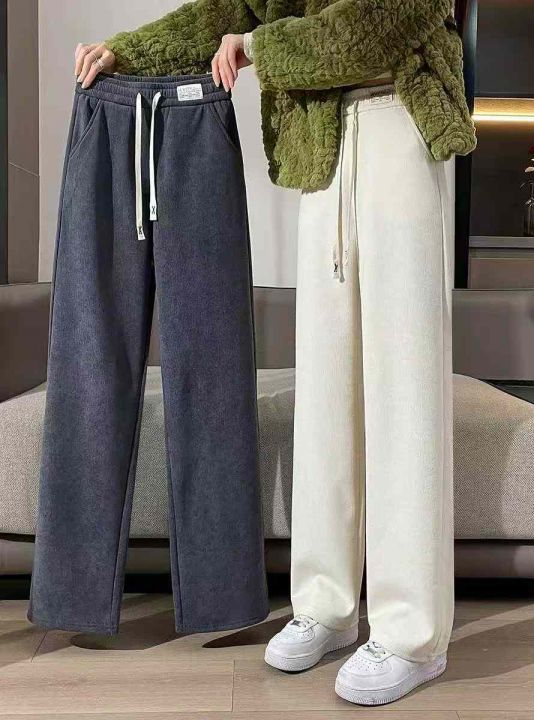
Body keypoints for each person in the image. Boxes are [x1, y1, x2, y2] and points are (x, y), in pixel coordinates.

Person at [75, 0, 476, 706]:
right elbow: (227, 11)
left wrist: (262, 47)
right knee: (326, 390)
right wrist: (126, 50)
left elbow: (389, 19)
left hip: (400, 122)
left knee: (404, 389)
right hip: (319, 141)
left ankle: (413, 636)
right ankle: (325, 604)